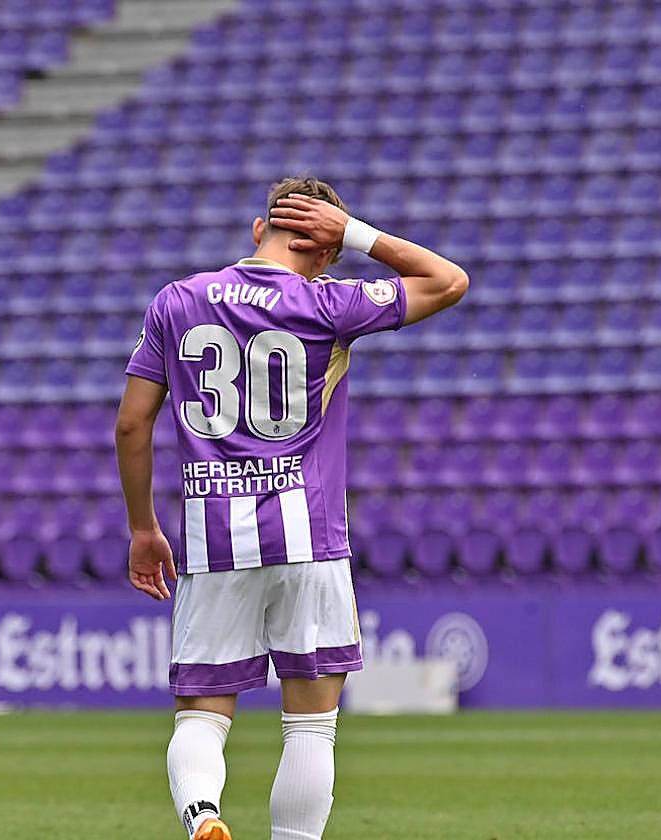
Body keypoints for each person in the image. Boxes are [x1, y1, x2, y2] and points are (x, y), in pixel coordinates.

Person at [114, 177, 468, 840]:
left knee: (201, 717)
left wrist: (142, 528)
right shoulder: (330, 303)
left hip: (214, 538)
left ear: (259, 229)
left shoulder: (178, 301)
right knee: (312, 725)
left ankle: (204, 816)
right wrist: (358, 233)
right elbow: (449, 281)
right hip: (310, 540)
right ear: (328, 251)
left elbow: (132, 425)